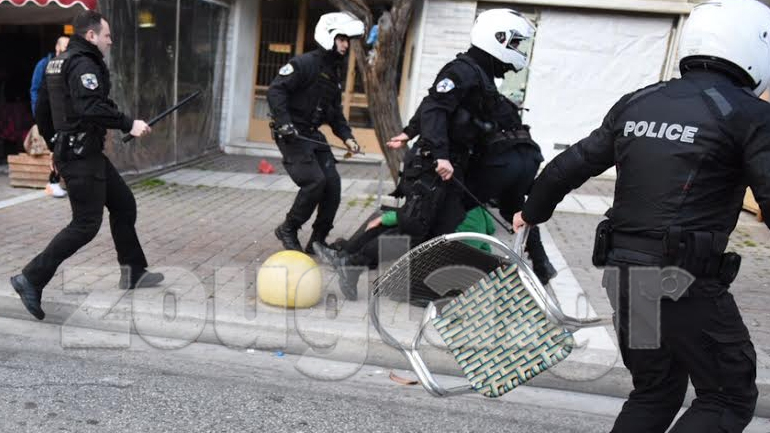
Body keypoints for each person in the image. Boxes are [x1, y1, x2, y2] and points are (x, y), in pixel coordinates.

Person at [513, 0, 770, 430]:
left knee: (655, 391)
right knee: (727, 396)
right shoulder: (750, 114)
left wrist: (531, 211)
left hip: (625, 277)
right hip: (682, 283)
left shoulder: (641, 101)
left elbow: (573, 163)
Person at [11, 11, 163, 321]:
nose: (110, 40)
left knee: (123, 203)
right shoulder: (82, 63)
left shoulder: (59, 61)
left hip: (82, 150)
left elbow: (42, 109)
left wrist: (56, 145)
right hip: (81, 154)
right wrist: (127, 124)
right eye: (107, 35)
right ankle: (31, 278)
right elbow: (90, 106)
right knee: (85, 224)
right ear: (91, 36)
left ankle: (133, 270)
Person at [387, 9, 557, 284]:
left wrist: (408, 131)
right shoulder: (462, 71)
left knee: (443, 225)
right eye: (514, 43)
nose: (517, 50)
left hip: (457, 163)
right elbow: (435, 108)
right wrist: (437, 153)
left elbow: (439, 106)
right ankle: (363, 262)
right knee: (420, 225)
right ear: (497, 38)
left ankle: (417, 282)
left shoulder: (482, 77)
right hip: (438, 163)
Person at [268, 12, 364, 255]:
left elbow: (335, 115)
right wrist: (284, 123)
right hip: (291, 134)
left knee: (333, 185)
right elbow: (276, 91)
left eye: (347, 41)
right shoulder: (305, 64)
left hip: (312, 135)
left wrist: (348, 138)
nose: (345, 45)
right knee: (314, 181)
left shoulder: (334, 74)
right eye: (341, 39)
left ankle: (318, 241)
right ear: (329, 36)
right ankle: (288, 228)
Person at [31, 35, 70, 199]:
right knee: (55, 148)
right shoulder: (44, 64)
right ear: (57, 48)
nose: (66, 51)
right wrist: (38, 115)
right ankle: (53, 182)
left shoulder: (66, 65)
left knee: (59, 148)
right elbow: (35, 89)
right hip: (47, 115)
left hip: (60, 115)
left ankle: (55, 181)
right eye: (64, 47)